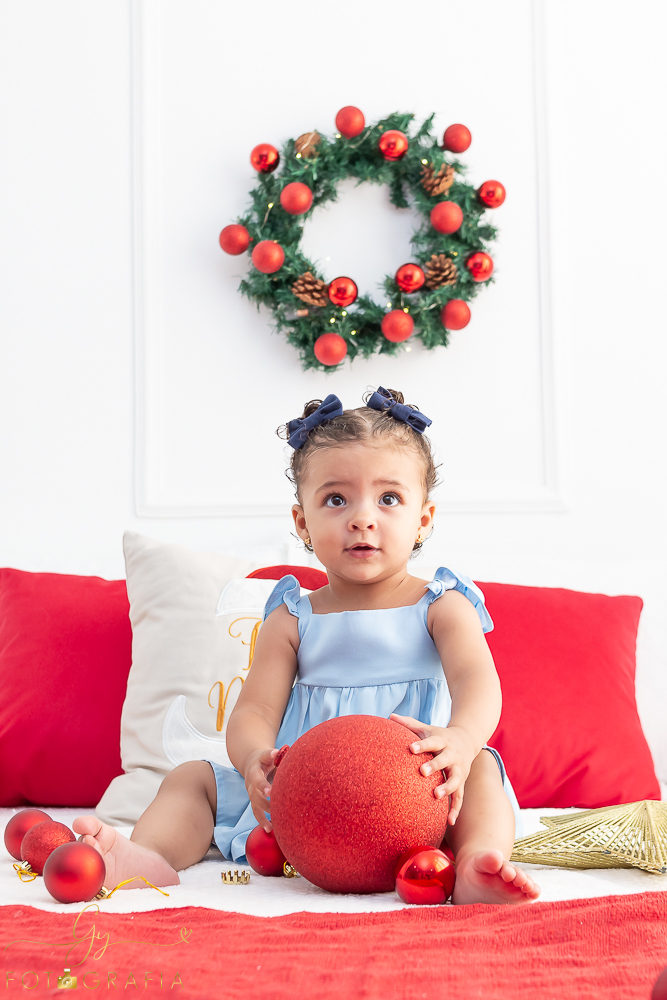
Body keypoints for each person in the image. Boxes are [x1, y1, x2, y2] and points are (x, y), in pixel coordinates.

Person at [74, 387, 540, 905]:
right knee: (192, 778)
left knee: (479, 768)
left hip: (416, 793)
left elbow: (479, 682)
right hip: (306, 799)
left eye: (389, 499)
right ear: (302, 522)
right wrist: (253, 759)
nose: (363, 518)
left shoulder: (441, 605)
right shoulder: (294, 615)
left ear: (423, 519)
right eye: (336, 499)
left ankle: (477, 862)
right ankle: (150, 855)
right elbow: (255, 708)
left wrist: (460, 738)